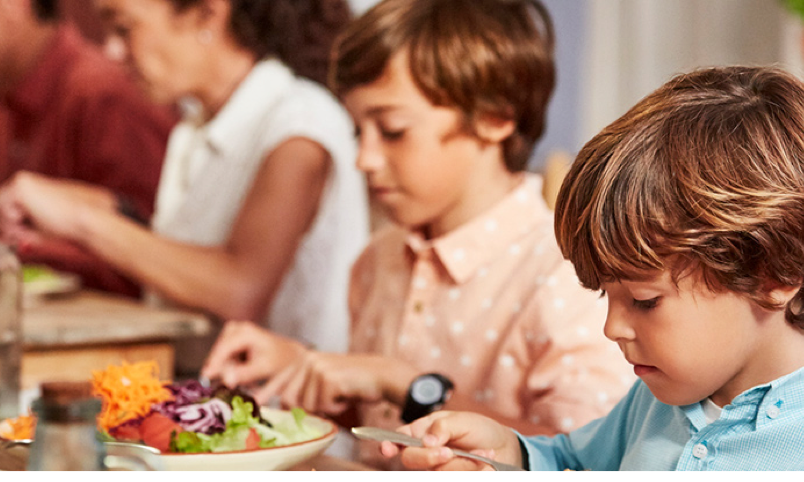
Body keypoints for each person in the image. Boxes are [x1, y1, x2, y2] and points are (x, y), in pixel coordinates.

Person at [379, 66, 804, 472]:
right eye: (607, 297)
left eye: (644, 301)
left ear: (775, 275)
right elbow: (574, 460)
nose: (613, 329)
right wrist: (509, 452)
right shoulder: (656, 403)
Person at [201, 0, 632, 468]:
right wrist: (305, 370)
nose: (363, 158)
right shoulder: (379, 260)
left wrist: (401, 382)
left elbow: (585, 457)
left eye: (392, 130)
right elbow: (387, 427)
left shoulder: (566, 274)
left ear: (494, 117)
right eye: (356, 131)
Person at [0, 0, 369, 367]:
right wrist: (106, 207)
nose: (111, 51)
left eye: (124, 28)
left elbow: (239, 290)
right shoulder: (193, 129)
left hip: (287, 416)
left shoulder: (299, 123)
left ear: (205, 14)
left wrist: (84, 221)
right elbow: (184, 257)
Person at [0, 0, 174, 297]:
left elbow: (157, 260)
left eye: (123, 28)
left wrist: (23, 248)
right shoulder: (13, 94)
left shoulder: (107, 95)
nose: (115, 50)